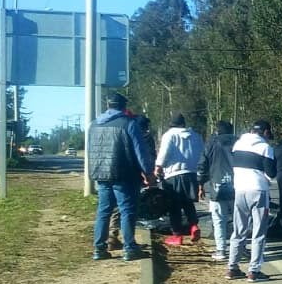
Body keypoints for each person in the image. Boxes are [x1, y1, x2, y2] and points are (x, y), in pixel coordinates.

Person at [89, 92, 155, 262]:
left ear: (108, 105)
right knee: (127, 210)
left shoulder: (94, 125)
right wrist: (148, 172)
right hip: (124, 173)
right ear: (124, 107)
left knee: (103, 211)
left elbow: (90, 150)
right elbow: (140, 151)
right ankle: (129, 248)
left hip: (101, 173)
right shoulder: (129, 124)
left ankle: (99, 249)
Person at [227, 120, 276, 283]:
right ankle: (254, 271)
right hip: (258, 191)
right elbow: (271, 173)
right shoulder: (265, 148)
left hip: (240, 189)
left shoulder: (238, 144)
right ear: (266, 132)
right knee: (259, 232)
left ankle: (232, 267)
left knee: (239, 230)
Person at [156, 114, 205, 246]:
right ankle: (194, 225)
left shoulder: (169, 135)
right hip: (192, 173)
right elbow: (202, 154)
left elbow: (163, 152)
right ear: (184, 124)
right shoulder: (196, 136)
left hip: (174, 174)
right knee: (188, 203)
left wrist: (158, 167)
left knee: (174, 206)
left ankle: (177, 235)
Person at [196, 121, 236, 261]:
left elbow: (202, 166)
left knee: (219, 219)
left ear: (217, 131)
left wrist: (200, 184)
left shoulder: (211, 143)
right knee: (239, 220)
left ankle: (221, 250)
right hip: (237, 186)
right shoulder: (238, 142)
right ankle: (240, 247)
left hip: (217, 186)